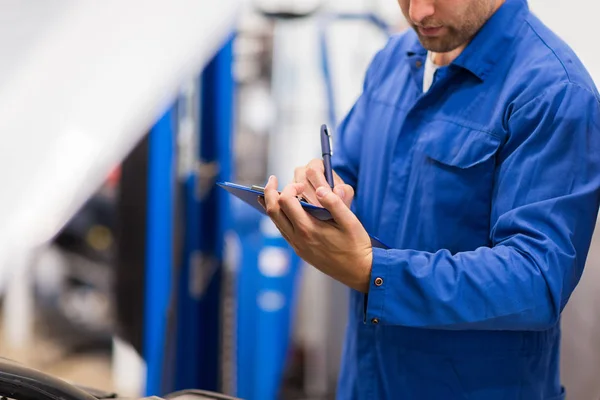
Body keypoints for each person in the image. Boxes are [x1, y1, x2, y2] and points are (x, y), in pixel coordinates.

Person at [262, 0, 600, 398]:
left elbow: (536, 280)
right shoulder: (395, 58)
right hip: (368, 381)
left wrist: (375, 272)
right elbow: (349, 167)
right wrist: (321, 192)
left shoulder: (551, 91)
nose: (418, 12)